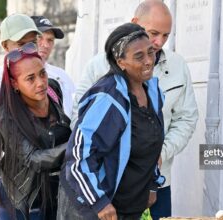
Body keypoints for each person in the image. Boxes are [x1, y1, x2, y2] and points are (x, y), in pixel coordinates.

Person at [71, 1, 198, 219]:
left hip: (155, 183)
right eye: (154, 33)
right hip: (110, 188)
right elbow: (80, 130)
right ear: (135, 24)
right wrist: (99, 198)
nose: (159, 43)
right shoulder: (100, 72)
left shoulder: (165, 77)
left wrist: (159, 157)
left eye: (166, 36)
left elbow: (186, 118)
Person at [58, 23, 165, 220]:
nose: (149, 60)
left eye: (151, 52)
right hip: (96, 208)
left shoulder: (152, 91)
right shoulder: (108, 98)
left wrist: (153, 184)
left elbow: (153, 141)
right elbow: (78, 156)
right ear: (121, 62)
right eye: (139, 56)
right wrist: (99, 203)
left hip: (131, 206)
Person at [0, 42, 71, 219]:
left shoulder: (53, 90)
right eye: (30, 78)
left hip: (55, 191)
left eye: (43, 74)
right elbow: (34, 159)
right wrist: (76, 144)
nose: (41, 83)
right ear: (14, 83)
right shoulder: (7, 116)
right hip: (23, 200)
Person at [0, 13, 42, 220]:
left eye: (32, 44)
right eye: (20, 44)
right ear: (4, 46)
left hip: (39, 184)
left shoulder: (48, 80)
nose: (28, 51)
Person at [31, 15, 75, 117]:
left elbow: (75, 110)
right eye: (39, 38)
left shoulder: (62, 75)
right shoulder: (14, 77)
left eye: (50, 40)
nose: (45, 45)